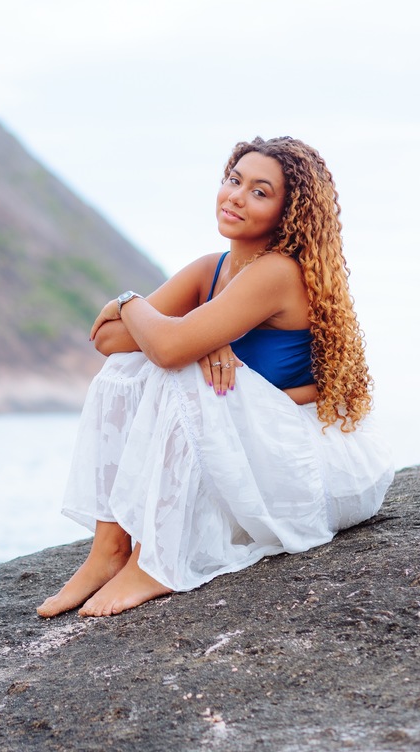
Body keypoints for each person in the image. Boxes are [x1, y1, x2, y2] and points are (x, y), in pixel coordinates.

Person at [37, 136, 394, 618]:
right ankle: (109, 551)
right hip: (255, 445)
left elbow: (166, 348)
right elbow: (109, 342)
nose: (236, 196)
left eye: (260, 191)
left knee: (180, 369)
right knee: (129, 366)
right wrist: (176, 325)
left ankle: (155, 562)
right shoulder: (213, 269)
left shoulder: (278, 272)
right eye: (234, 180)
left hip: (312, 465)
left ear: (288, 212)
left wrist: (134, 306)